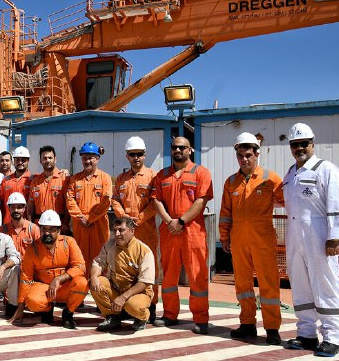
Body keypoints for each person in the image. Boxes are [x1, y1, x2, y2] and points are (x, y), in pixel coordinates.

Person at [282, 123, 339, 357]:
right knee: (300, 285)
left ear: (312, 144)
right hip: (294, 236)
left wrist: (334, 237)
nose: (299, 148)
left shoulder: (325, 169)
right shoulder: (291, 174)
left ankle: (332, 337)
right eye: (295, 144)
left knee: (325, 285)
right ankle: (307, 334)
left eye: (303, 143)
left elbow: (336, 204)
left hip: (319, 236)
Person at [219, 132, 285, 345]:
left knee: (268, 283)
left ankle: (272, 328)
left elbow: (288, 201)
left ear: (257, 154)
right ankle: (247, 323)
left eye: (248, 155)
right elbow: (225, 213)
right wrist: (224, 237)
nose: (244, 159)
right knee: (242, 284)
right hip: (238, 240)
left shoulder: (270, 179)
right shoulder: (231, 182)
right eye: (240, 155)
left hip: (263, 239)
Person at [151, 136, 214, 334]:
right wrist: (169, 221)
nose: (177, 151)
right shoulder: (162, 175)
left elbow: (201, 201)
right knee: (168, 276)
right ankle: (170, 314)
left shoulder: (201, 173)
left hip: (192, 232)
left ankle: (201, 318)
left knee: (197, 275)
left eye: (182, 147)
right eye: (174, 148)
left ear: (190, 150)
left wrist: (181, 221)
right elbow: (156, 200)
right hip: (169, 231)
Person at [9, 210, 89, 329]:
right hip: (44, 288)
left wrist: (59, 279)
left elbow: (80, 267)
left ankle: (68, 312)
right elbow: (26, 278)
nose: (47, 233)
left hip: (63, 287)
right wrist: (20, 307)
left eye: (51, 230)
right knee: (32, 301)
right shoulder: (32, 249)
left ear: (58, 231)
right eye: (44, 229)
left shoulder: (69, 242)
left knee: (82, 283)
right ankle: (47, 309)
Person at [111, 136, 160, 323]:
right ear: (127, 156)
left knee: (148, 270)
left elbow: (155, 202)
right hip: (125, 234)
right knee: (125, 269)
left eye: (139, 154)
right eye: (132, 154)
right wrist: (124, 217)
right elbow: (115, 199)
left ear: (145, 155)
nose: (136, 158)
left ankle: (150, 305)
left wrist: (138, 219)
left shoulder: (153, 177)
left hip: (145, 231)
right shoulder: (121, 179)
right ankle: (126, 305)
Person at [90, 216, 154, 332]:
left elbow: (144, 282)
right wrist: (94, 277)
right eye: (115, 230)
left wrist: (123, 298)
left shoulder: (144, 250)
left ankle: (142, 318)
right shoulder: (110, 245)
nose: (117, 234)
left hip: (138, 293)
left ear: (132, 231)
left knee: (133, 306)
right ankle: (112, 317)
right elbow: (98, 263)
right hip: (117, 289)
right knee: (97, 283)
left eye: (121, 230)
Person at [66, 142, 113, 270]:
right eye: (84, 158)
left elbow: (106, 202)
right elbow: (70, 200)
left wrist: (90, 218)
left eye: (91, 158)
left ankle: (99, 282)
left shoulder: (105, 178)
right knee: (80, 258)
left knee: (101, 258)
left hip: (99, 225)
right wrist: (81, 218)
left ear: (97, 158)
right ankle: (83, 282)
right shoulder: (75, 179)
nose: (87, 161)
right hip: (80, 225)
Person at [28, 145, 70, 232]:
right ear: (40, 161)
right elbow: (31, 205)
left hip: (58, 226)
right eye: (44, 158)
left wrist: (66, 223)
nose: (47, 160)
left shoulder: (64, 179)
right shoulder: (35, 181)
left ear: (55, 159)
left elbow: (68, 204)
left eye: (50, 158)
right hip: (39, 226)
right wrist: (30, 224)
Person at [0, 192, 40, 259]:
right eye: (13, 207)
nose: (16, 210)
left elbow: (40, 251)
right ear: (9, 208)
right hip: (9, 265)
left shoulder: (33, 229)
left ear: (24, 208)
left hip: (28, 265)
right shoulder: (2, 231)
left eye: (19, 207)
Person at [0, 146, 32, 224]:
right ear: (13, 161)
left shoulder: (33, 180)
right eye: (17, 160)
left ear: (28, 161)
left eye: (23, 160)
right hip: (8, 224)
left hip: (25, 225)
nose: (20, 162)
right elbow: (1, 205)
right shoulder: (6, 181)